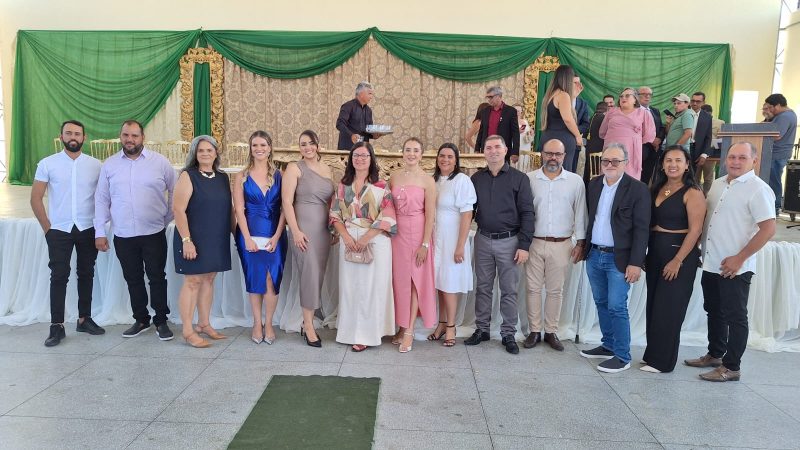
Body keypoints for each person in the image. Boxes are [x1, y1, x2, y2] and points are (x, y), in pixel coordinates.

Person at [685, 142, 776, 382]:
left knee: (736, 317)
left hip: (735, 267)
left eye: (742, 158)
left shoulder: (759, 189)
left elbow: (768, 229)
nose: (735, 161)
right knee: (714, 310)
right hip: (711, 262)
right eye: (732, 157)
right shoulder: (717, 184)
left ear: (754, 161)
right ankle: (715, 354)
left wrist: (740, 258)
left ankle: (732, 367)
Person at [95, 120, 176, 340]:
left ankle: (161, 320)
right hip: (123, 234)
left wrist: (165, 218)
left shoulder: (160, 163)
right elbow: (101, 199)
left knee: (157, 277)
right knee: (133, 278)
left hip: (153, 232)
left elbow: (175, 191)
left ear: (143, 138)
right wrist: (99, 231)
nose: (129, 139)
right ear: (120, 136)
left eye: (134, 135)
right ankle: (141, 319)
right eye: (126, 135)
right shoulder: (110, 165)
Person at [31, 120, 104, 347]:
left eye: (77, 134)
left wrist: (100, 226)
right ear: (61, 136)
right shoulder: (47, 163)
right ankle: (57, 326)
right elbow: (35, 198)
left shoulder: (95, 165)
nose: (73, 137)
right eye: (69, 133)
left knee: (86, 273)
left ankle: (84, 319)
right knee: (59, 276)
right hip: (59, 230)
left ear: (84, 138)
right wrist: (48, 229)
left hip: (87, 227)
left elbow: (103, 198)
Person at [579, 143, 650, 373]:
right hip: (594, 254)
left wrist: (635, 262)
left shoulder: (638, 189)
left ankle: (622, 355)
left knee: (617, 306)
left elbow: (642, 230)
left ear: (625, 163)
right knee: (601, 302)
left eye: (615, 161)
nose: (609, 165)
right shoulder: (593, 185)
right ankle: (608, 344)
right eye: (605, 161)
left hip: (619, 259)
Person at [465, 135, 535, 354]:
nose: (493, 151)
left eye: (497, 147)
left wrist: (524, 245)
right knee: (483, 287)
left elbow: (528, 213)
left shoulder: (520, 179)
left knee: (509, 290)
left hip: (510, 242)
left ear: (505, 150)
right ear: (484, 152)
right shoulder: (477, 179)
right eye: (489, 147)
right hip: (483, 239)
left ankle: (508, 333)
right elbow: (469, 210)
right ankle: (482, 329)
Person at [641, 145, 705, 373]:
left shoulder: (693, 192)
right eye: (668, 160)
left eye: (678, 160)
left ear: (687, 165)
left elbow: (696, 230)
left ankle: (663, 362)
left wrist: (677, 260)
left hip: (678, 254)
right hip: (656, 252)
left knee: (669, 309)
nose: (673, 164)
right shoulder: (657, 187)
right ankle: (652, 355)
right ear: (662, 164)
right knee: (654, 306)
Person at [330, 142, 397, 352]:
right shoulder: (343, 185)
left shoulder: (381, 185)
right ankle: (349, 332)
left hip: (375, 240)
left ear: (371, 159)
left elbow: (388, 216)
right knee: (350, 287)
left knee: (371, 289)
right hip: (349, 239)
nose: (359, 159)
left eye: (364, 155)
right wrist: (346, 237)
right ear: (351, 159)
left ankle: (369, 334)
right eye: (356, 155)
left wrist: (366, 238)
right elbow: (334, 215)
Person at [523, 139, 587, 351]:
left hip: (562, 244)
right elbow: (523, 212)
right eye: (549, 153)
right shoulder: (529, 179)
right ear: (541, 154)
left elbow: (581, 213)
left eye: (557, 154)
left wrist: (581, 242)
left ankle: (551, 331)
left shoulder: (575, 182)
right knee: (532, 289)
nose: (553, 158)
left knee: (555, 290)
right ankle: (534, 331)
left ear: (564, 156)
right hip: (534, 242)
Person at [172, 135, 232, 348]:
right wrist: (186, 240)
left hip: (215, 237)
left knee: (209, 279)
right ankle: (188, 331)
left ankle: (204, 324)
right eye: (201, 150)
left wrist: (236, 234)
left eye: (209, 150)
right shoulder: (188, 176)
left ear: (216, 153)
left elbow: (228, 209)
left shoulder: (222, 177)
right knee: (193, 281)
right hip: (193, 237)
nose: (205, 153)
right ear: (194, 154)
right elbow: (178, 210)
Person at [281, 130, 335, 348]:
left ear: (318, 146)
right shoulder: (294, 168)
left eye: (311, 143)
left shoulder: (327, 169)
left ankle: (310, 319)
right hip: (303, 228)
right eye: (303, 144)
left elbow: (332, 202)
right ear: (299, 148)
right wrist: (295, 231)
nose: (307, 147)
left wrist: (334, 229)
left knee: (318, 274)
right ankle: (308, 325)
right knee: (309, 274)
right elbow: (286, 201)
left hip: (323, 230)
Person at [233, 130, 288, 345]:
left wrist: (277, 235)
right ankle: (257, 323)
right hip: (249, 235)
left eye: (263, 145)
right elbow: (239, 209)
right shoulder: (241, 176)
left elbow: (285, 208)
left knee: (271, 280)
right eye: (255, 145)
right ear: (250, 148)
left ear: (270, 148)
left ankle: (269, 323)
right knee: (255, 278)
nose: (259, 149)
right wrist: (247, 238)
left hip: (275, 235)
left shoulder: (280, 175)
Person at [389, 137, 437, 353]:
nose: (411, 154)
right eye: (408, 150)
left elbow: (430, 216)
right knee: (400, 282)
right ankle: (401, 326)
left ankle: (409, 331)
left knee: (415, 281)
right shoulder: (394, 177)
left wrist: (425, 244)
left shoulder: (428, 180)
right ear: (402, 153)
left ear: (421, 154)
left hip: (418, 233)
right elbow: (387, 206)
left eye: (416, 150)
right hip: (397, 235)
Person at [431, 143, 476, 347]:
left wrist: (460, 246)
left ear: (456, 160)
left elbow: (467, 214)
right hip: (436, 238)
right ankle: (441, 324)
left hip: (453, 239)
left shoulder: (462, 180)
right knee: (439, 282)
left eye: (450, 156)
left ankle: (451, 326)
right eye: (442, 156)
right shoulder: (434, 180)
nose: (445, 160)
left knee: (449, 283)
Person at [598, 87, 656, 179]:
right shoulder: (612, 111)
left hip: (631, 150)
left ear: (635, 99)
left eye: (627, 96)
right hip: (611, 148)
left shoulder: (643, 113)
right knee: (609, 174)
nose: (623, 98)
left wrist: (634, 139)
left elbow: (649, 134)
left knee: (629, 177)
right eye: (621, 96)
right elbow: (602, 132)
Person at [538, 65, 583, 173]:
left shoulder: (551, 94)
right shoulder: (563, 95)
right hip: (562, 141)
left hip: (548, 137)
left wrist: (573, 97)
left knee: (548, 173)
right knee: (563, 174)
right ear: (568, 79)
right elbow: (568, 119)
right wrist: (578, 136)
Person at [763, 93, 797, 213]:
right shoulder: (787, 115)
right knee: (773, 180)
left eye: (770, 107)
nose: (770, 110)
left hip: (777, 154)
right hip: (779, 153)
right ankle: (773, 206)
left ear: (777, 105)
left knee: (774, 181)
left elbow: (777, 135)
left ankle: (775, 207)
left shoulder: (784, 116)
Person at [475, 86, 520, 163]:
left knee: (503, 170)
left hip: (502, 150)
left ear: (499, 96)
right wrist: (477, 149)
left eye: (491, 97)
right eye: (488, 97)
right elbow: (481, 132)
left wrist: (515, 152)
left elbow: (515, 133)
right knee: (485, 170)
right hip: (487, 150)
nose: (489, 100)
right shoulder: (485, 111)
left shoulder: (511, 111)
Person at [336, 81, 382, 150]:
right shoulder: (348, 106)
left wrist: (374, 135)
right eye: (369, 94)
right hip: (347, 148)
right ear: (361, 93)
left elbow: (368, 130)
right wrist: (351, 135)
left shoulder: (369, 110)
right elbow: (340, 124)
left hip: (363, 149)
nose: (371, 97)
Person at [637, 86, 665, 185]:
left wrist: (659, 139)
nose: (647, 96)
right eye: (644, 94)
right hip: (639, 149)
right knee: (636, 178)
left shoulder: (655, 111)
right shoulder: (634, 111)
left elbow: (661, 127)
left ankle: (645, 193)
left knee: (647, 177)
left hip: (654, 150)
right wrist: (651, 139)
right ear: (637, 96)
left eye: (649, 94)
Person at [699, 104, 725, 194]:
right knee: (695, 177)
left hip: (711, 153)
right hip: (697, 152)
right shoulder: (696, 121)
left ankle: (707, 196)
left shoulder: (720, 122)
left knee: (708, 177)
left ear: (711, 113)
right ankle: (696, 196)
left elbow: (721, 139)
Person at [689, 92, 713, 183]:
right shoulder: (683, 112)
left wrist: (704, 154)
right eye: (693, 101)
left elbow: (708, 137)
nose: (694, 103)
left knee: (692, 177)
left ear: (703, 102)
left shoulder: (707, 117)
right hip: (683, 147)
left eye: (698, 101)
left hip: (697, 150)